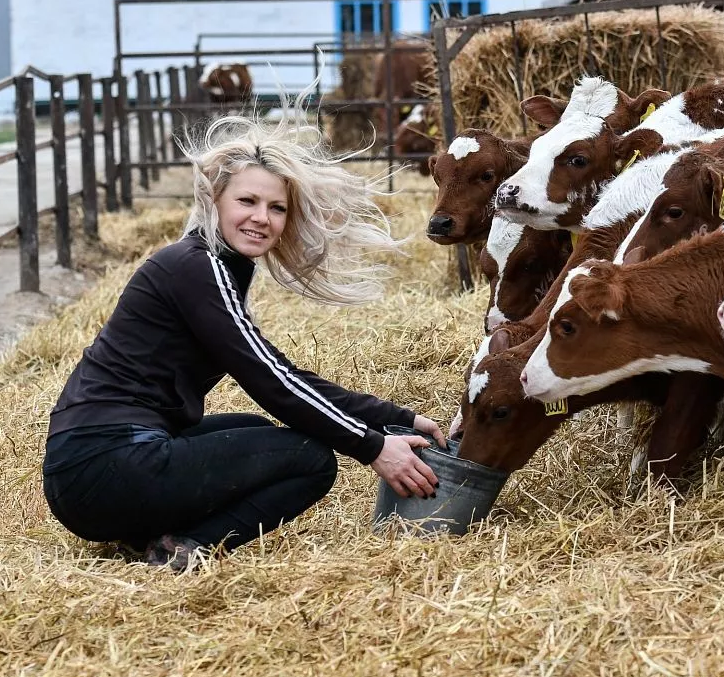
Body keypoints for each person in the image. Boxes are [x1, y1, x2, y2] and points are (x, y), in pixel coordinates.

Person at [42, 111, 444, 572]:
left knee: (255, 428)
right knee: (310, 459)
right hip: (105, 465)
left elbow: (281, 373)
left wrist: (399, 419)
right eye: (247, 201)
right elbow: (272, 381)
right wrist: (372, 446)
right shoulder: (196, 267)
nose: (262, 218)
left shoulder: (214, 268)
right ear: (214, 199)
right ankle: (182, 549)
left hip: (92, 469)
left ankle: (151, 534)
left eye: (277, 208)